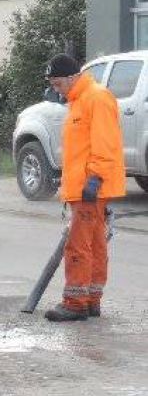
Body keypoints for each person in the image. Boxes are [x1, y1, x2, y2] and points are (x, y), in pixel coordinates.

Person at [43, 53, 125, 322]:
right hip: (86, 186)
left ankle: (76, 303)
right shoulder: (79, 101)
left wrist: (95, 178)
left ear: (70, 77)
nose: (56, 90)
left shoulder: (96, 98)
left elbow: (106, 143)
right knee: (95, 243)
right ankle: (91, 300)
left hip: (91, 187)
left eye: (57, 84)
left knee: (79, 245)